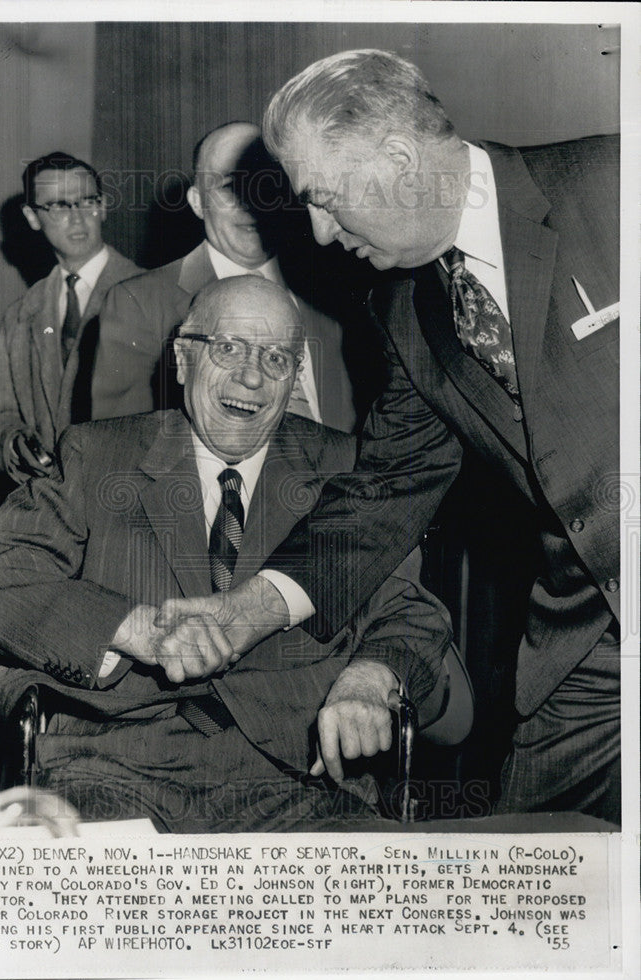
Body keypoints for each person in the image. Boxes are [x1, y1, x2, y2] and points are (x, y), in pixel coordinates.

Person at [154, 50, 621, 825]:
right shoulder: (405, 309)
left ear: (400, 159)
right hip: (589, 643)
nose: (318, 232)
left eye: (326, 199)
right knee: (532, 876)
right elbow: (383, 492)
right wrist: (246, 612)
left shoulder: (612, 184)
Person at [0, 275, 452, 832]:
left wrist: (370, 676)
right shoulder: (95, 455)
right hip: (111, 765)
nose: (251, 376)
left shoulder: (347, 472)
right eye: (229, 348)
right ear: (182, 360)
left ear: (294, 380)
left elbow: (411, 613)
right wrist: (136, 629)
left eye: (276, 358)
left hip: (296, 778)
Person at [90, 121, 357, 432]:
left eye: (267, 186)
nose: (253, 204)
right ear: (198, 202)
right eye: (231, 187)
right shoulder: (138, 302)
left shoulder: (327, 295)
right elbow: (120, 442)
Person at [0, 151, 141, 484]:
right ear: (32, 217)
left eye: (87, 201)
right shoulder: (19, 316)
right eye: (59, 206)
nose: (78, 218)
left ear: (103, 205)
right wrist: (14, 444)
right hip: (48, 506)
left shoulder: (152, 296)